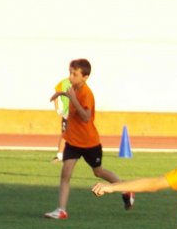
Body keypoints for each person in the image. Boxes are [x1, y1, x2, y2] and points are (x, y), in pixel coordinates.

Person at [44, 58, 133, 219]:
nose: (71, 76)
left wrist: (72, 99)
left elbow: (86, 117)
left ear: (85, 77)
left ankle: (126, 189)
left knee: (98, 172)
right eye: (70, 73)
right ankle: (61, 210)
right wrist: (62, 94)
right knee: (65, 175)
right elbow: (72, 99)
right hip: (73, 141)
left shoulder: (86, 94)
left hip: (89, 142)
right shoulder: (73, 89)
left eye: (74, 74)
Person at [52, 77, 71, 162]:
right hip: (67, 113)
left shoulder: (81, 83)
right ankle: (60, 156)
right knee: (64, 134)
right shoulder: (63, 83)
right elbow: (56, 94)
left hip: (77, 113)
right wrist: (57, 107)